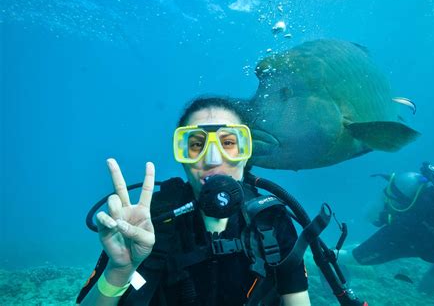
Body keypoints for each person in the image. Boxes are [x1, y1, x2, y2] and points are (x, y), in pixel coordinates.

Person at [76, 96, 311, 306]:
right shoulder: (149, 219)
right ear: (182, 155)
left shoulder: (270, 220)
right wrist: (119, 270)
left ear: (246, 151)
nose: (212, 158)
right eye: (197, 145)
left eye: (228, 143)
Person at [351, 151, 434, 304]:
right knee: (357, 258)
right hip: (406, 235)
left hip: (421, 241)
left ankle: (329, 255)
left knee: (357, 257)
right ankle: (322, 257)